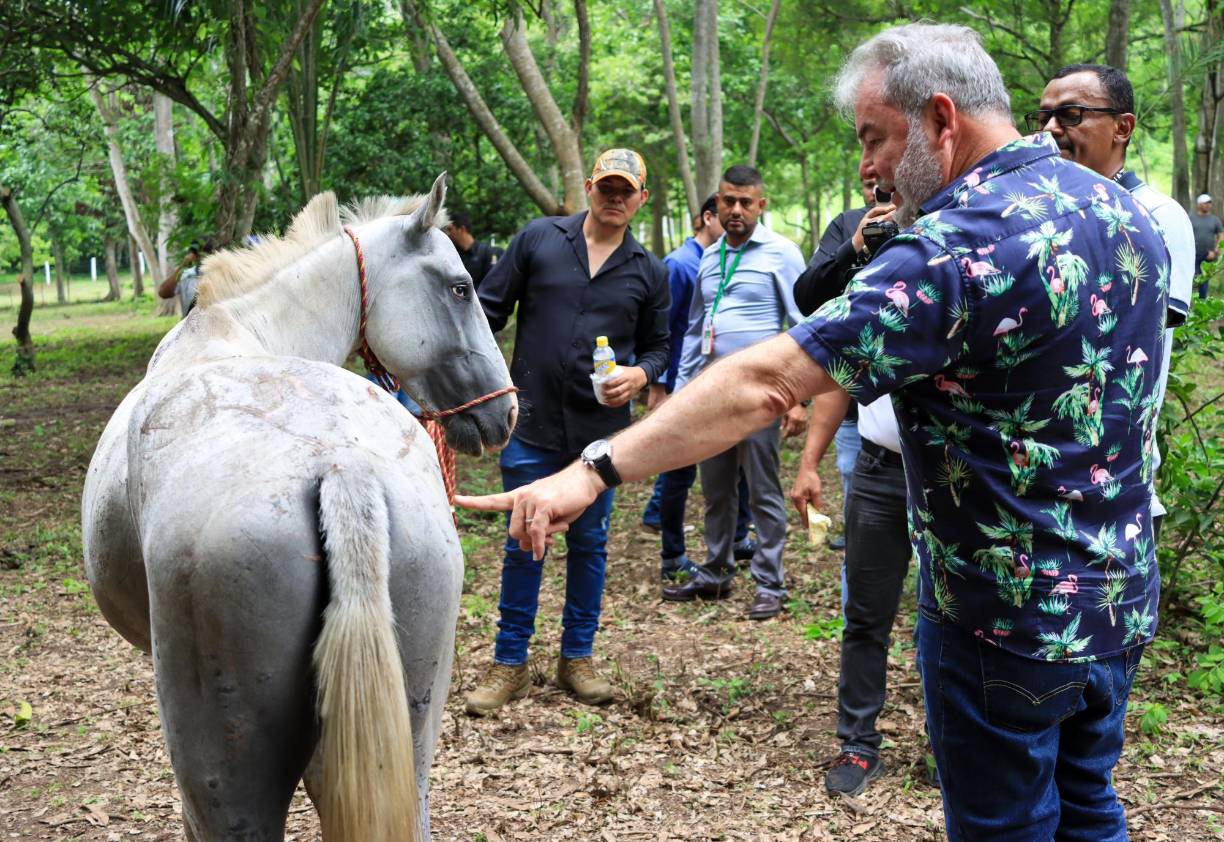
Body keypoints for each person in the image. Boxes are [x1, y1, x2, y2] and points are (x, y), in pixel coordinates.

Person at [458, 23, 1170, 841]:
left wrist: (593, 470)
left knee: (1006, 827)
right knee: (1088, 806)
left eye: (874, 138)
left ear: (940, 119)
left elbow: (769, 381)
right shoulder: (1121, 212)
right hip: (1117, 600)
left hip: (1003, 624)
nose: (866, 167)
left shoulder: (956, 244)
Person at [465, 148, 670, 716]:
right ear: (588, 186)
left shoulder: (647, 271)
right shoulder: (538, 240)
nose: (614, 196)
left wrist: (640, 373)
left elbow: (659, 348)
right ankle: (510, 663)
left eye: (626, 189)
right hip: (528, 421)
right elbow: (488, 310)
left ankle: (576, 658)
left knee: (589, 545)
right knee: (522, 538)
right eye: (606, 185)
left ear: (641, 199)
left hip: (599, 437)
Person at [1034, 63, 1195, 542]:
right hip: (1033, 486)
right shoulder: (1042, 212)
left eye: (1071, 114)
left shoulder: (1158, 216)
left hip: (1112, 489)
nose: (1049, 130)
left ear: (1122, 127)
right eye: (1042, 116)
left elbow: (1118, 340)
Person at [661, 164, 807, 621]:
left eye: (746, 202)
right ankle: (717, 569)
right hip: (710, 396)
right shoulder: (709, 257)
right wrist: (681, 390)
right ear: (716, 205)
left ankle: (770, 581)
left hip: (761, 395)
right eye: (728, 201)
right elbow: (695, 329)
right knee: (716, 488)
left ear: (761, 205)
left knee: (763, 491)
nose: (737, 210)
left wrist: (798, 396)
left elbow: (803, 327)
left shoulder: (782, 254)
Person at [640, 195, 756, 578]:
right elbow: (666, 328)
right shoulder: (680, 264)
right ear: (709, 217)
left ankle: (737, 538)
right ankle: (672, 554)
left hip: (719, 388)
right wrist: (660, 385)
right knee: (678, 471)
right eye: (725, 212)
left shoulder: (723, 261)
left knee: (732, 470)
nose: (734, 219)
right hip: (680, 385)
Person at [792, 178, 885, 552]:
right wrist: (857, 245)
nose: (879, 185)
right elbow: (810, 300)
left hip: (927, 427)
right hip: (855, 419)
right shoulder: (847, 226)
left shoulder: (934, 223)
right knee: (862, 535)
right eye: (871, 181)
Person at [445, 211, 503, 288]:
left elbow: (493, 286)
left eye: (450, 229)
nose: (447, 234)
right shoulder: (451, 256)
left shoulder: (487, 253)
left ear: (462, 229)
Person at [157, 241, 212, 317]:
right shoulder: (186, 275)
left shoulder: (222, 276)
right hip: (189, 325)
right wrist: (182, 266)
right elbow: (163, 293)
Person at [1191, 193, 1223, 297]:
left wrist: (1215, 251)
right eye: (1205, 203)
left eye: (1209, 203)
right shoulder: (1191, 218)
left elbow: (1221, 236)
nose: (1208, 205)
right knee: (1191, 277)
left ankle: (1202, 302)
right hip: (1192, 255)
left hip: (1208, 255)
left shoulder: (1214, 220)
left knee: (1204, 280)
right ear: (1199, 204)